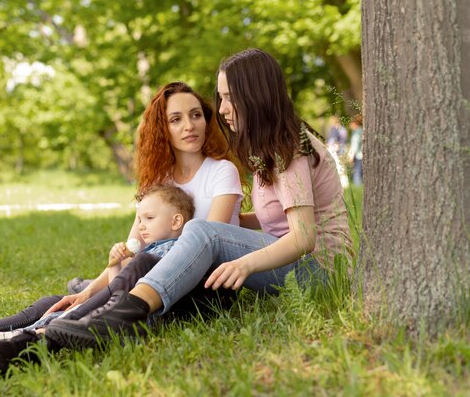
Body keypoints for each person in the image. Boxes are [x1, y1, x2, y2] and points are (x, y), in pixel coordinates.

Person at [0, 81, 245, 357]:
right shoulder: (159, 182)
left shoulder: (221, 172)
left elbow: (203, 246)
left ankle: (30, 341)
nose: (189, 126)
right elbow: (131, 249)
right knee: (54, 302)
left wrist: (109, 283)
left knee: (134, 271)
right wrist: (89, 290)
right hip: (144, 275)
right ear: (162, 129)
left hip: (192, 288)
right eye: (176, 119)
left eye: (196, 115)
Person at [40, 48, 355, 350]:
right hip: (299, 264)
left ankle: (124, 313)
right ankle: (118, 301)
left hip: (321, 272)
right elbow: (279, 215)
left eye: (230, 98)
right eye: (221, 98)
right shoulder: (270, 145)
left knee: (204, 232)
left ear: (257, 95)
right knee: (201, 231)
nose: (221, 109)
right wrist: (228, 226)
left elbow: (303, 236)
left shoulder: (290, 149)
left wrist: (243, 261)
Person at [0, 184, 196, 372]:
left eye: (149, 218)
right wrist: (115, 265)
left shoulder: (174, 254)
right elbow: (117, 290)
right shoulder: (148, 252)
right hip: (113, 310)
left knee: (74, 316)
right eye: (139, 219)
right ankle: (22, 338)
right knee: (63, 308)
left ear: (176, 222)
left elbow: (129, 297)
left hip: (129, 319)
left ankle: (22, 337)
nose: (140, 226)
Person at [347, 114, 363, 185]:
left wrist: (351, 156)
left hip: (358, 155)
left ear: (354, 123)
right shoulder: (362, 130)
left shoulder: (357, 132)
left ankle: (357, 187)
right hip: (362, 154)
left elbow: (355, 145)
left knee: (357, 172)